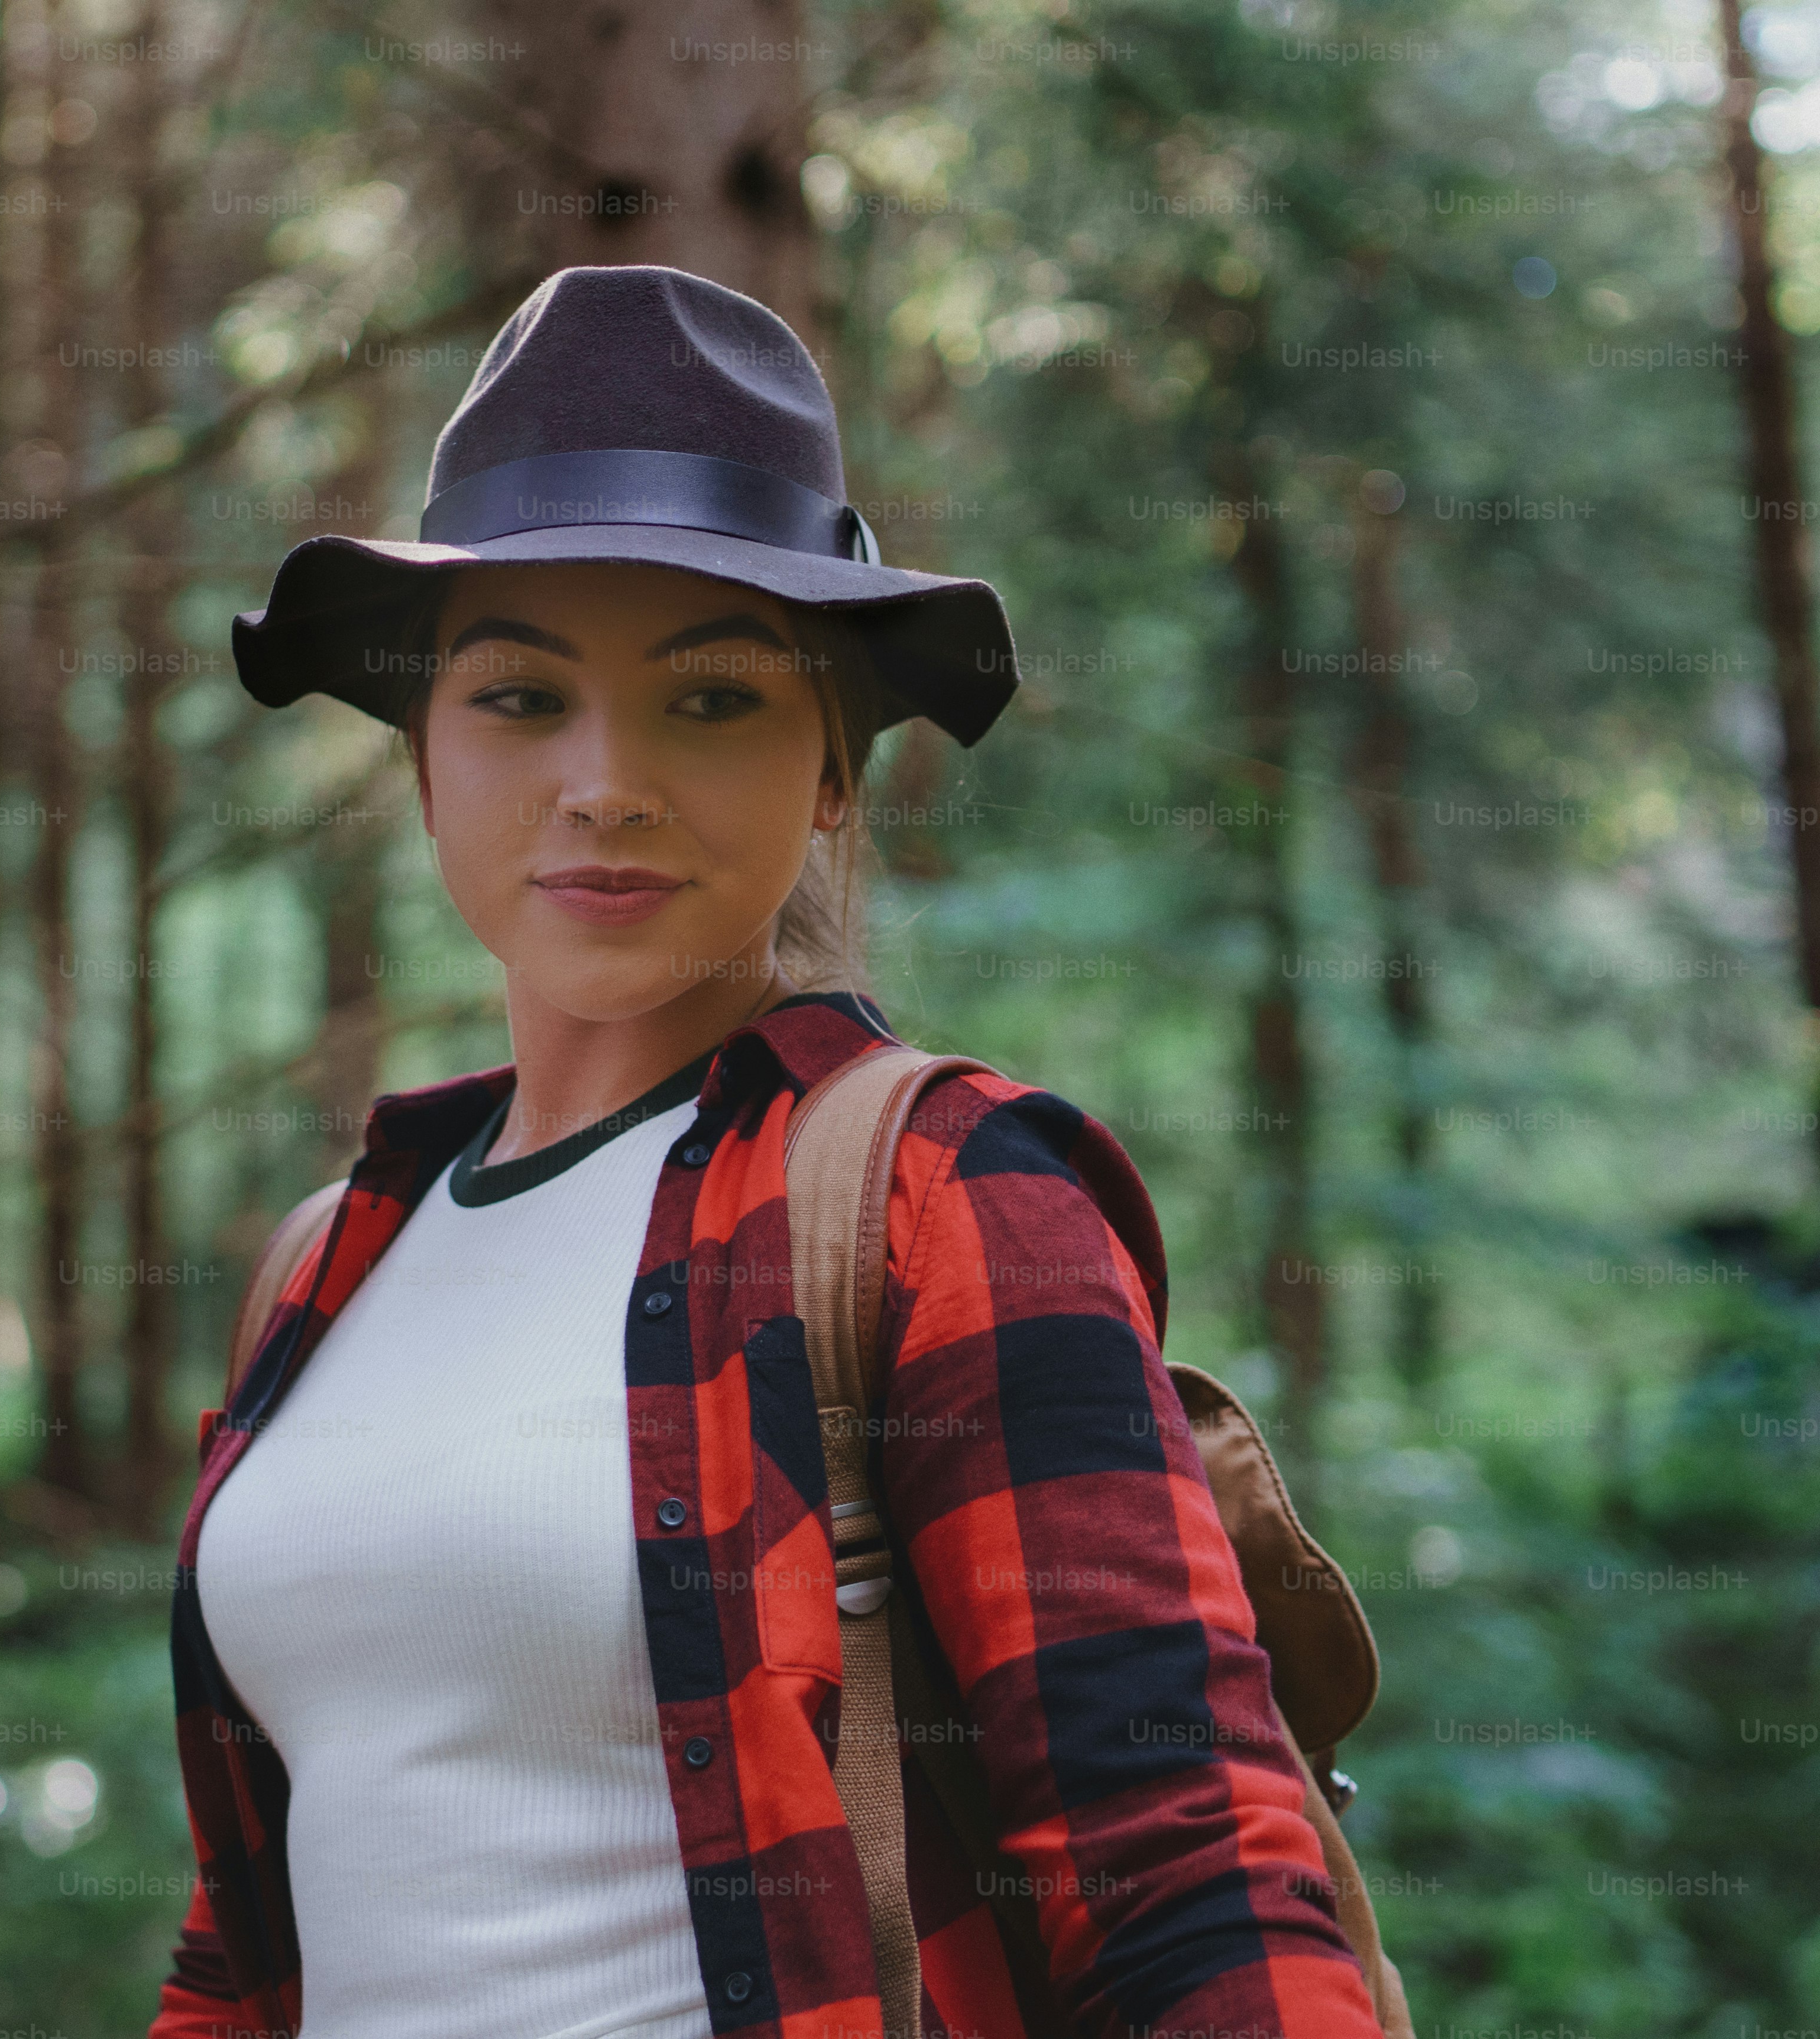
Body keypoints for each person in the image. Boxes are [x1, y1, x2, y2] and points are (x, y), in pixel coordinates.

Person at [146, 266, 1385, 2039]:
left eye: (711, 701)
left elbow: (1177, 1867)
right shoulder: (328, 1255)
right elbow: (243, 1937)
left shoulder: (937, 1197)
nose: (606, 781)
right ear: (422, 757)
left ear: (832, 773)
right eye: (517, 698)